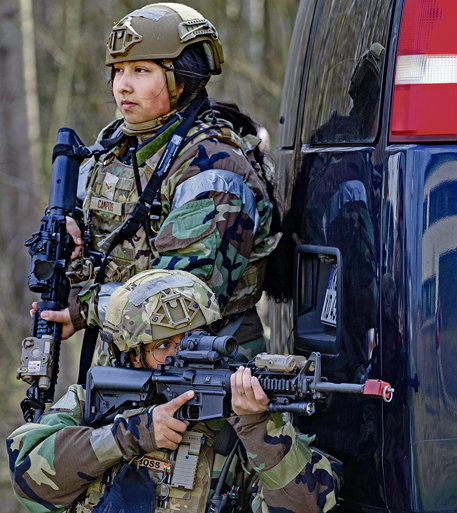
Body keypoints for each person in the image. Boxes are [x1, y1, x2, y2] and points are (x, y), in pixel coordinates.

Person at [38, 2, 280, 360]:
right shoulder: (117, 146)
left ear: (181, 80)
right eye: (118, 70)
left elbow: (179, 300)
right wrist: (72, 231)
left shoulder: (214, 167)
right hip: (126, 362)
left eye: (141, 70)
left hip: (204, 370)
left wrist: (85, 308)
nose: (123, 85)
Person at [8, 269, 342, 513]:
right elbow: (27, 480)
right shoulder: (94, 404)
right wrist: (130, 434)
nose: (180, 356)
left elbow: (307, 506)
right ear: (132, 355)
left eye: (193, 340)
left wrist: (258, 429)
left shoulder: (240, 423)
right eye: (163, 345)